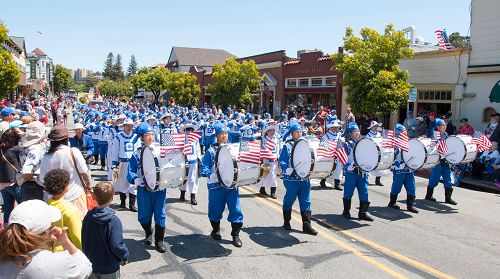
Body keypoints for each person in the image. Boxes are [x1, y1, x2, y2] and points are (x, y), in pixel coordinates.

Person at [0, 200, 92, 279]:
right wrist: (65, 241)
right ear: (46, 231)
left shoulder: (3, 258)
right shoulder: (56, 262)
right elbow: (85, 267)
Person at [201, 122, 244, 247]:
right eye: (221, 134)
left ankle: (235, 235)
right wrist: (211, 175)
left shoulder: (233, 149)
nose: (224, 136)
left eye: (225, 134)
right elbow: (204, 167)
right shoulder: (211, 151)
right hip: (216, 186)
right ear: (217, 136)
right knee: (215, 209)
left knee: (235, 210)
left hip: (231, 186)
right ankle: (216, 230)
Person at [127, 123, 168, 253]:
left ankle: (159, 240)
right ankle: (148, 231)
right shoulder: (136, 154)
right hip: (144, 189)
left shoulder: (161, 150)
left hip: (159, 190)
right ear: (142, 138)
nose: (150, 137)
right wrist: (135, 179)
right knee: (144, 216)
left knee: (160, 215)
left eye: (151, 134)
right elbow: (130, 171)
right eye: (147, 135)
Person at [39, 125, 92, 219]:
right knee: (78, 227)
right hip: (75, 195)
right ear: (66, 139)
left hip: (54, 199)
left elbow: (43, 180)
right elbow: (84, 173)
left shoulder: (46, 157)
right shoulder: (73, 152)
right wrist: (89, 188)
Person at [279, 120, 318, 235]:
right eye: (297, 132)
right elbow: (282, 160)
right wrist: (286, 169)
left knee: (306, 201)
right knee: (289, 200)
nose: (299, 134)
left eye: (300, 131)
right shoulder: (287, 145)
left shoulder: (306, 144)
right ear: (291, 133)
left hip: (304, 179)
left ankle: (307, 226)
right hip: (291, 180)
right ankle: (287, 221)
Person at [82, 182, 129, 278]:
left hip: (91, 264)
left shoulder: (88, 216)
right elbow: (116, 245)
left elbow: (84, 237)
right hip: (109, 266)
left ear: (94, 197)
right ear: (112, 198)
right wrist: (124, 255)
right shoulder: (113, 221)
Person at [44, 169, 83, 252]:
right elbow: (77, 237)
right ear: (65, 186)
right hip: (66, 252)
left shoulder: (45, 205)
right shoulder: (70, 209)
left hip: (48, 250)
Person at [341, 122, 373, 221]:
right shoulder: (346, 144)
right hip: (351, 172)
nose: (357, 133)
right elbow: (342, 158)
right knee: (348, 192)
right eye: (355, 131)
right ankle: (346, 211)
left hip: (362, 172)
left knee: (364, 192)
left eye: (358, 131)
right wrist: (348, 166)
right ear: (350, 133)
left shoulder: (362, 143)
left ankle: (362, 213)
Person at [110, 118, 140, 212]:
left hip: (133, 163)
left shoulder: (136, 136)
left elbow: (139, 150)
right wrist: (114, 164)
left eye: (131, 126)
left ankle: (132, 204)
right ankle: (123, 202)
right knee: (122, 183)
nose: (129, 128)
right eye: (127, 126)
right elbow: (114, 151)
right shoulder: (118, 137)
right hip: (122, 163)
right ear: (124, 126)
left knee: (133, 183)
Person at [425, 118, 457, 205]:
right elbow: (433, 146)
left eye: (445, 125)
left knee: (448, 179)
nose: (445, 126)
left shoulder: (445, 134)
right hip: (437, 161)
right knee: (434, 179)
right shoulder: (434, 134)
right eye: (443, 125)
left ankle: (448, 198)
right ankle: (428, 195)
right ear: (438, 126)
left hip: (445, 160)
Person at [388, 124, 419, 213]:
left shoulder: (409, 142)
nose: (405, 133)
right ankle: (392, 202)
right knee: (396, 186)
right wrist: (398, 164)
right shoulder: (394, 144)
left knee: (411, 187)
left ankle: (410, 205)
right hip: (399, 170)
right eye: (402, 132)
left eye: (405, 131)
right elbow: (391, 158)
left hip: (408, 169)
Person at [18, 121, 47, 201]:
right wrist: (36, 180)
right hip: (34, 186)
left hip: (28, 185)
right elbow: (27, 170)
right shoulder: (35, 148)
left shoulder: (25, 146)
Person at [0, 128, 22, 223]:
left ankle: (6, 229)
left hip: (2, 184)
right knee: (23, 206)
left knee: (8, 207)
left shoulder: (1, 150)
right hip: (13, 183)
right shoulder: (16, 150)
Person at [179, 124, 201, 205]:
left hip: (193, 161)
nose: (189, 132)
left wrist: (199, 160)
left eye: (190, 130)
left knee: (193, 179)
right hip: (184, 162)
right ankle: (182, 193)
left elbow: (198, 150)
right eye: (187, 130)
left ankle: (193, 196)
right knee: (183, 178)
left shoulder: (195, 139)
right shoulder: (181, 139)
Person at [319, 120, 343, 190]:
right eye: (334, 127)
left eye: (336, 127)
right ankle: (323, 181)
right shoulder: (326, 135)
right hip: (329, 154)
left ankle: (337, 184)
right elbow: (323, 144)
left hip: (337, 154)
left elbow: (340, 143)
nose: (335, 128)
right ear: (330, 127)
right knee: (327, 168)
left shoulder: (338, 135)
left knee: (338, 168)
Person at [258, 122, 280, 198]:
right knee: (266, 175)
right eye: (270, 131)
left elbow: (277, 149)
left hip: (274, 160)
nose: (272, 132)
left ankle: (273, 192)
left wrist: (278, 158)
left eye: (273, 131)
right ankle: (262, 189)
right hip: (267, 160)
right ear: (267, 132)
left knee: (273, 175)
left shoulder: (276, 139)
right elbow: (262, 149)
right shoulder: (264, 140)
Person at [366, 121, 385, 186]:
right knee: (369, 166)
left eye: (376, 126)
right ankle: (366, 179)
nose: (376, 127)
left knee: (379, 166)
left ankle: (377, 180)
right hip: (371, 152)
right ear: (371, 127)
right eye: (374, 126)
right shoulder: (368, 135)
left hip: (379, 152)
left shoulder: (379, 134)